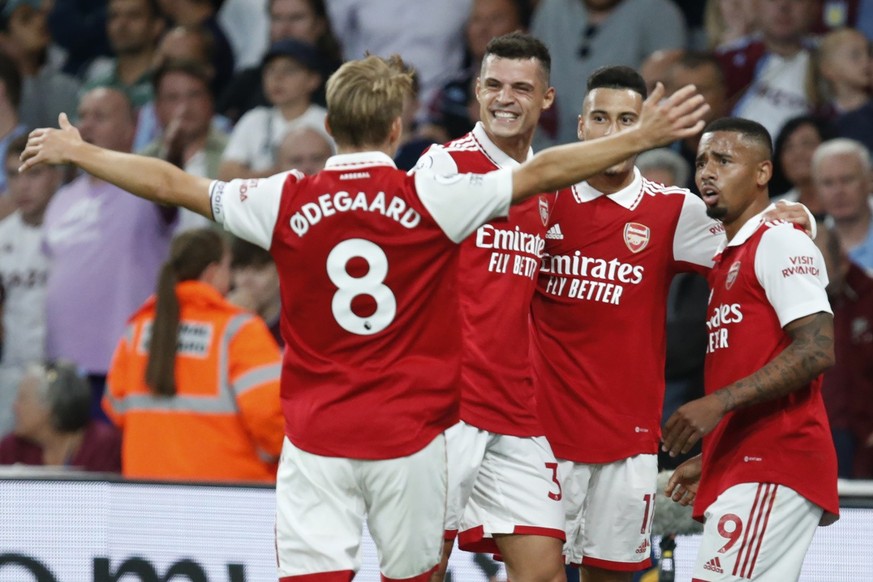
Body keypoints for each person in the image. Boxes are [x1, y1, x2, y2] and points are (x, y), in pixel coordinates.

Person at [19, 54, 708, 580]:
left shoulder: (283, 197)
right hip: (409, 438)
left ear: (328, 124)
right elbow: (542, 172)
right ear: (395, 127)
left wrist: (81, 152)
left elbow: (174, 183)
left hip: (316, 437)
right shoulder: (433, 197)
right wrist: (635, 137)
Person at [529, 66, 811, 582]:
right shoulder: (540, 201)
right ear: (580, 127)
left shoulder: (673, 210)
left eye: (628, 120)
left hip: (628, 443)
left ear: (648, 127)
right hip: (541, 441)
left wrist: (798, 218)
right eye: (601, 118)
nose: (615, 132)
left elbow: (756, 245)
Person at [413, 33, 565, 582]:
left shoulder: (550, 186)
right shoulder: (443, 168)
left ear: (547, 98)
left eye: (522, 88)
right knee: (422, 569)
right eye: (494, 85)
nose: (506, 98)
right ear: (477, 90)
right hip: (445, 406)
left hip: (516, 409)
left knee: (544, 571)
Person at [663, 117, 838, 581]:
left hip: (773, 463)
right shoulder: (729, 257)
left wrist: (717, 403)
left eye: (723, 159)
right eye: (701, 161)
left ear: (762, 173)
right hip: (746, 461)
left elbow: (817, 349)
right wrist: (716, 449)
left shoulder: (778, 240)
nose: (707, 172)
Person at [104, 228, 284, 482]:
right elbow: (272, 421)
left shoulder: (139, 330)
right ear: (213, 273)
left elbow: (116, 407)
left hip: (147, 489)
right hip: (231, 494)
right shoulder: (239, 330)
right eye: (229, 267)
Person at [42, 87, 175, 419]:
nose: (86, 127)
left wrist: (174, 153)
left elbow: (169, 199)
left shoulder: (147, 185)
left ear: (132, 127)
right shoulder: (62, 199)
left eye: (99, 117)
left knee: (114, 468)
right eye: (82, 116)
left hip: (123, 364)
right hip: (62, 367)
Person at [217, 38, 326, 181]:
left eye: (289, 70)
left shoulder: (329, 121)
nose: (277, 78)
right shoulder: (254, 119)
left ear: (313, 80)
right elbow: (226, 175)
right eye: (270, 70)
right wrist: (283, 175)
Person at [0, 134, 60, 368]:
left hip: (65, 369)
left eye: (34, 173)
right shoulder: (2, 235)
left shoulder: (75, 233)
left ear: (56, 176)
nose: (23, 186)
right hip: (12, 369)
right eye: (14, 175)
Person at [0, 360, 121, 472]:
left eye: (23, 399)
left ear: (49, 407)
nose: (14, 407)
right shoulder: (11, 449)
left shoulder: (106, 446)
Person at [811, 138, 873, 272]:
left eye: (847, 179)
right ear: (817, 189)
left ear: (869, 181)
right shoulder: (810, 248)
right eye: (828, 183)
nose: (838, 191)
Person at [228, 236, 283, 346]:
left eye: (258, 269)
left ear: (280, 275)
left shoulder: (297, 331)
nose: (246, 281)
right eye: (241, 269)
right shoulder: (218, 321)